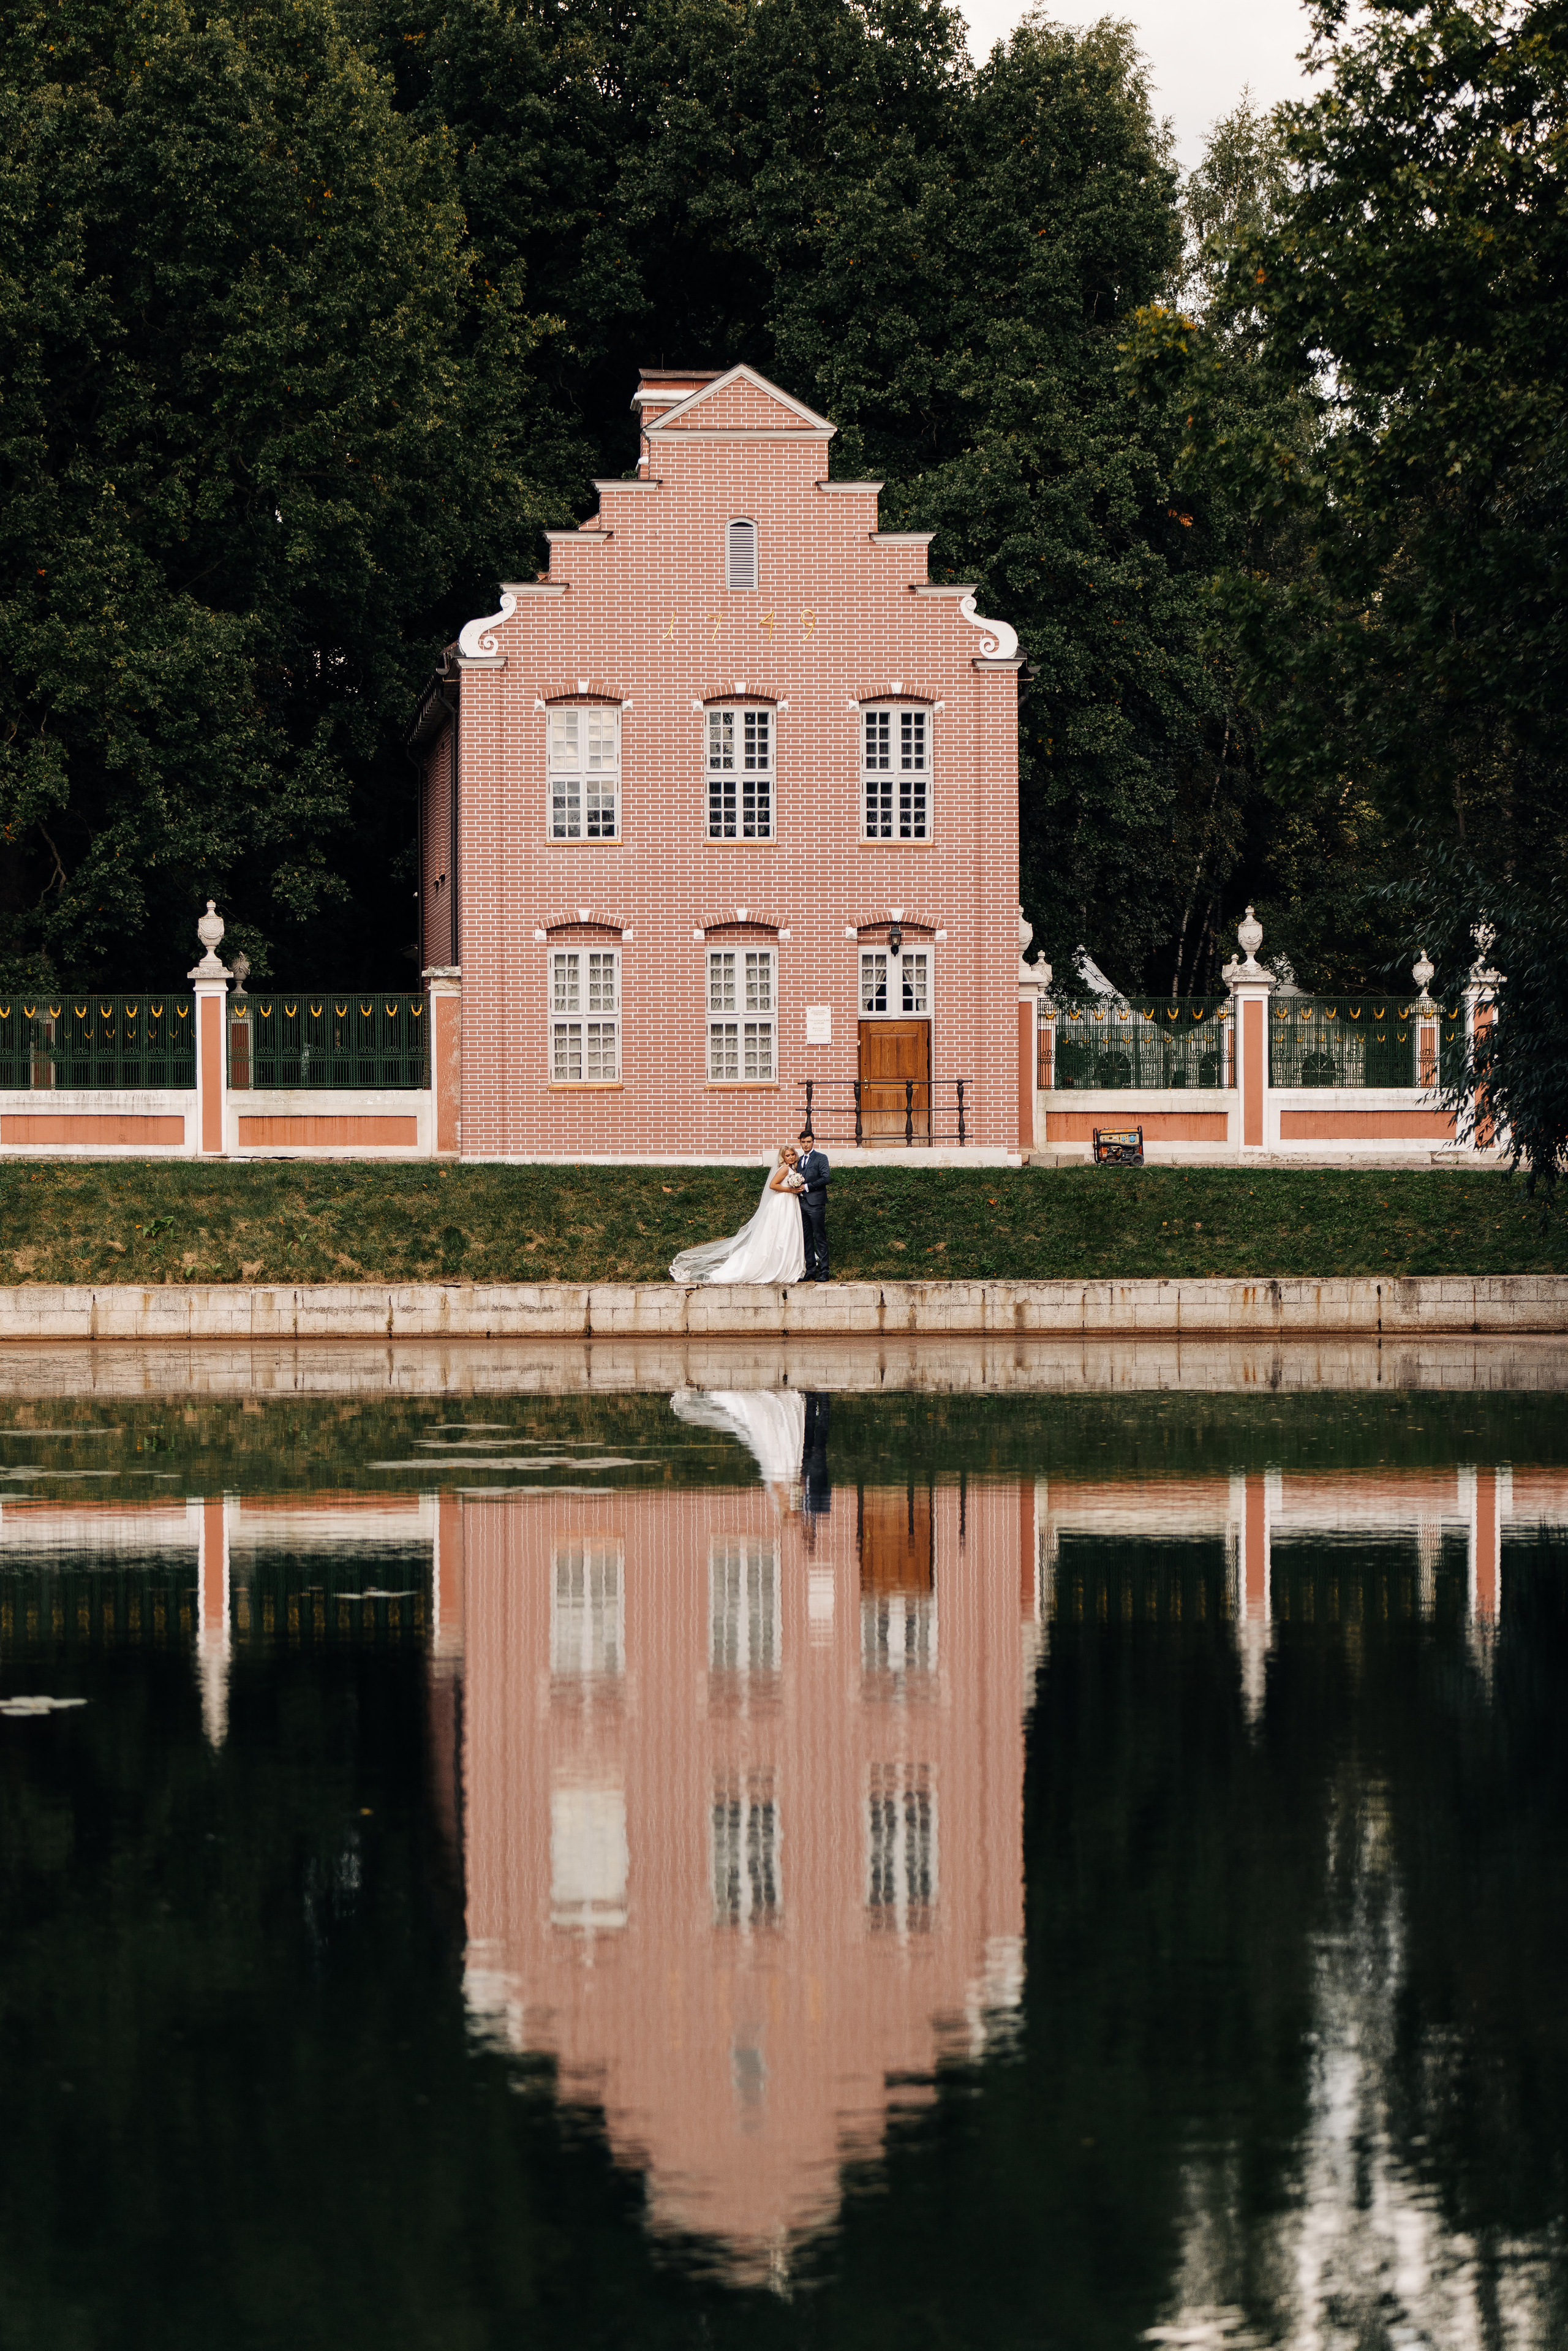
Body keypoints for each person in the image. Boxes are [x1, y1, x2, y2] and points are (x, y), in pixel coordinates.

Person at [668, 1146, 806, 1286]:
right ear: (783, 1157)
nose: (791, 1157)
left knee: (786, 1233)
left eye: (792, 1154)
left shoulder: (792, 1170)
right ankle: (771, 1266)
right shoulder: (783, 1169)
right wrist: (791, 1190)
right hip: (782, 1203)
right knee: (779, 1234)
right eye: (788, 1155)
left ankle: (783, 1265)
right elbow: (773, 1185)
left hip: (789, 1203)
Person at [795, 1128, 830, 1281]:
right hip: (801, 1204)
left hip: (816, 1204)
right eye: (803, 1142)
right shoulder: (798, 1161)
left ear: (813, 1142)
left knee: (820, 1237)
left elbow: (826, 1178)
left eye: (809, 1142)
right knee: (806, 1238)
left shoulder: (821, 1158)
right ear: (800, 1142)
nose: (806, 1145)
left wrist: (807, 1187)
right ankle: (810, 1271)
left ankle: (824, 1271)